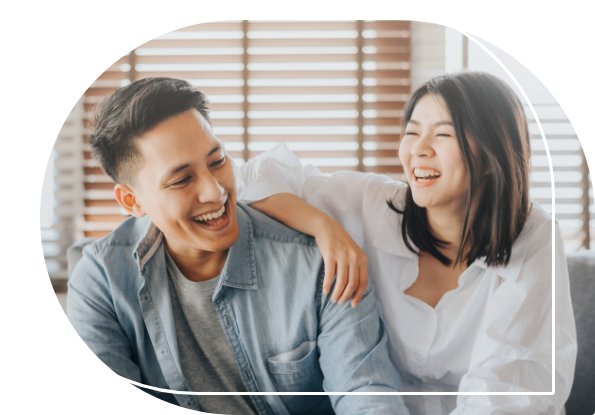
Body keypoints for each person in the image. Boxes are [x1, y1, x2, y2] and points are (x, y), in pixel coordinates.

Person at [236, 72, 578, 414]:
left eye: (443, 134)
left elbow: (505, 392)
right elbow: (253, 177)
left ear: (491, 156)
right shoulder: (373, 205)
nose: (417, 149)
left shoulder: (535, 237)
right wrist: (324, 227)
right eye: (412, 132)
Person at [66, 77, 411, 414]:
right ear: (132, 201)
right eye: (183, 179)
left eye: (217, 161)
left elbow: (367, 395)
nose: (215, 191)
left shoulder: (323, 265)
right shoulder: (102, 280)